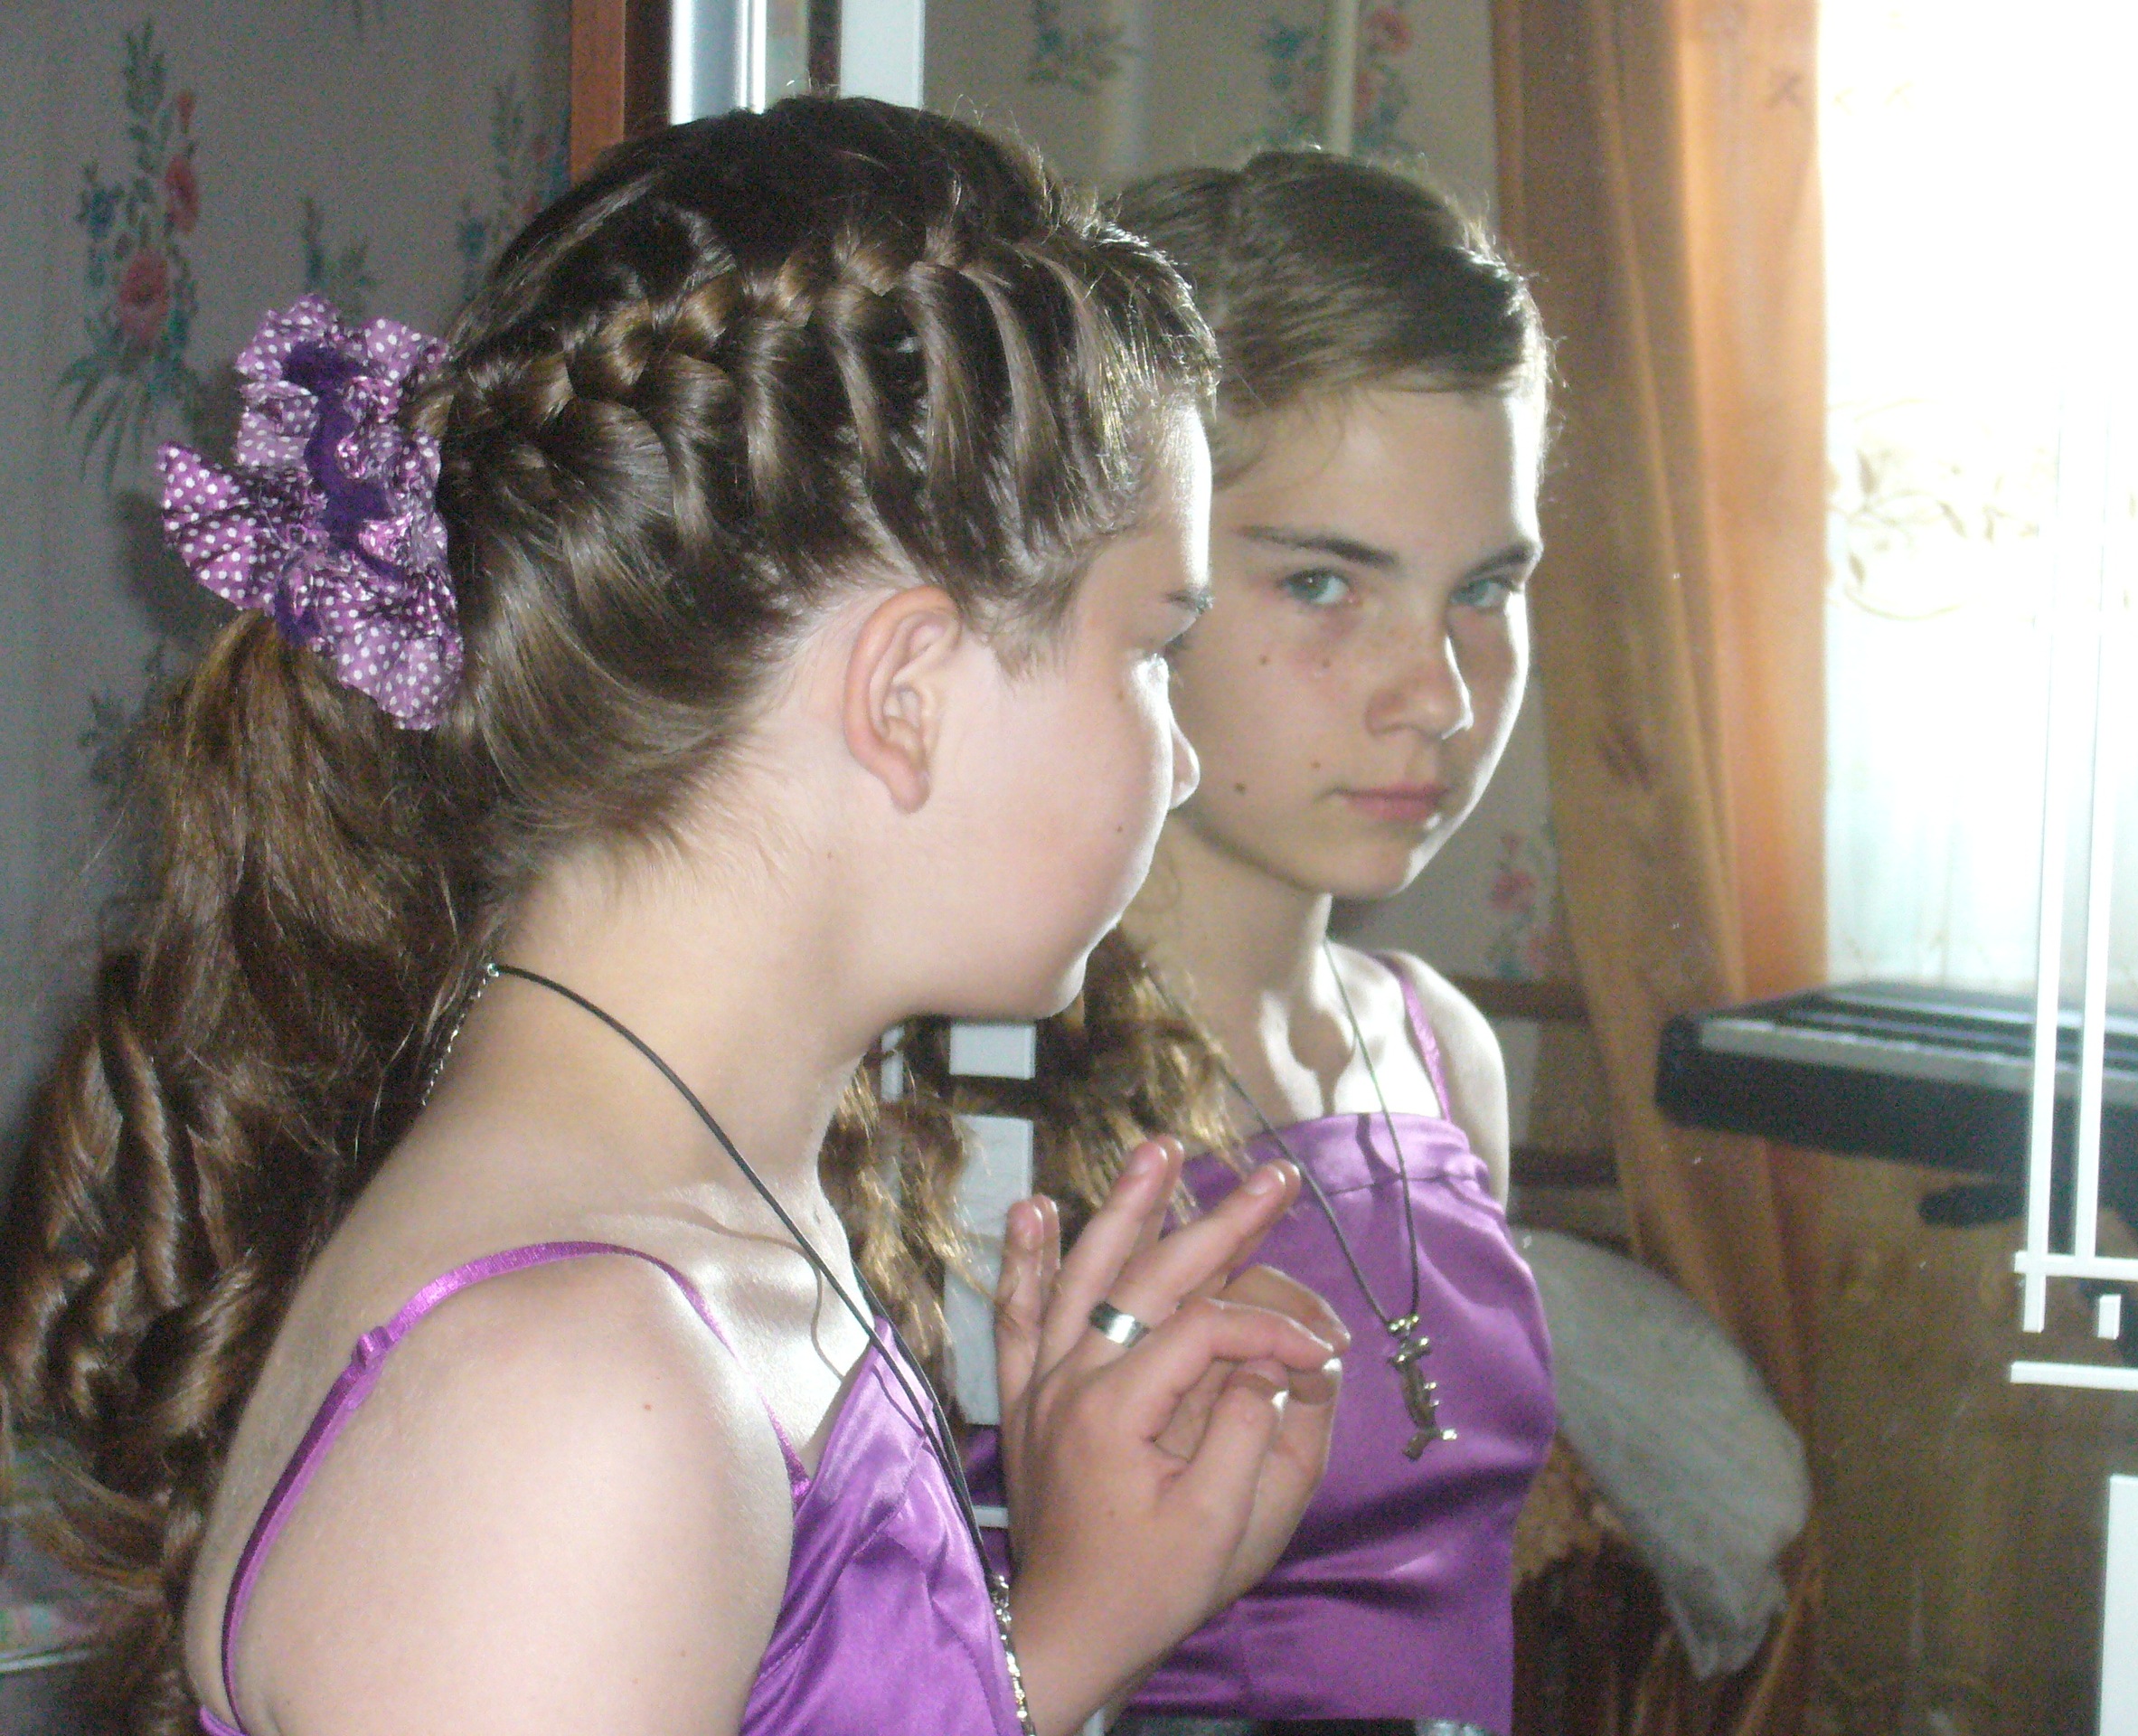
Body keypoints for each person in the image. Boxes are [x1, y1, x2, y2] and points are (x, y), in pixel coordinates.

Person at [0, 99, 1352, 1736]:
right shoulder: (570, 1409)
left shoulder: (703, 1212)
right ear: (909, 693)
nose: (1183, 751)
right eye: (1152, 649)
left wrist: (1068, 1634)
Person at [949, 151, 1557, 1736]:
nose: (1439, 692)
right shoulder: (975, 1105)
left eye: (1486, 589)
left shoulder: (1439, 1051)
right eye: (1324, 583)